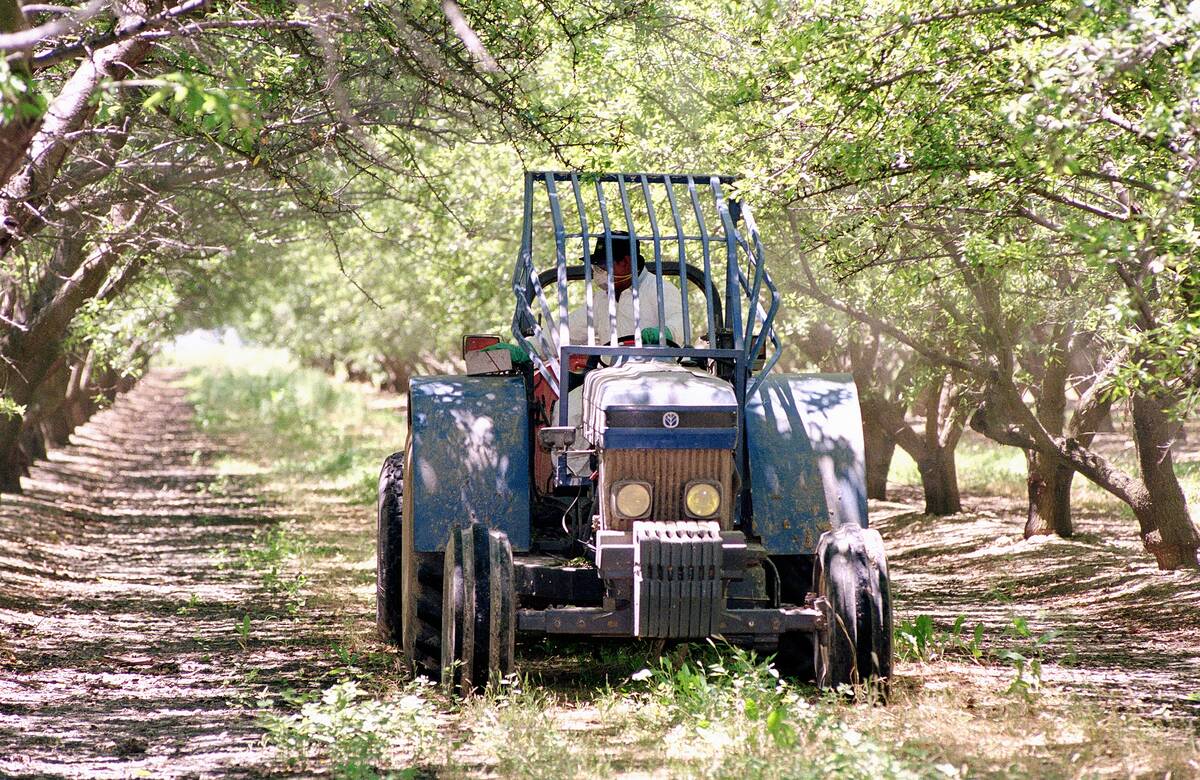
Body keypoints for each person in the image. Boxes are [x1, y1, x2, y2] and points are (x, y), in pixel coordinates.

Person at [566, 232, 685, 348]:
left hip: (653, 367)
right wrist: (547, 343)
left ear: (626, 262)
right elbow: (569, 330)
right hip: (611, 367)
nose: (597, 273)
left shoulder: (659, 289)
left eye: (603, 267)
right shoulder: (601, 298)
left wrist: (665, 333)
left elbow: (680, 323)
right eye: (596, 268)